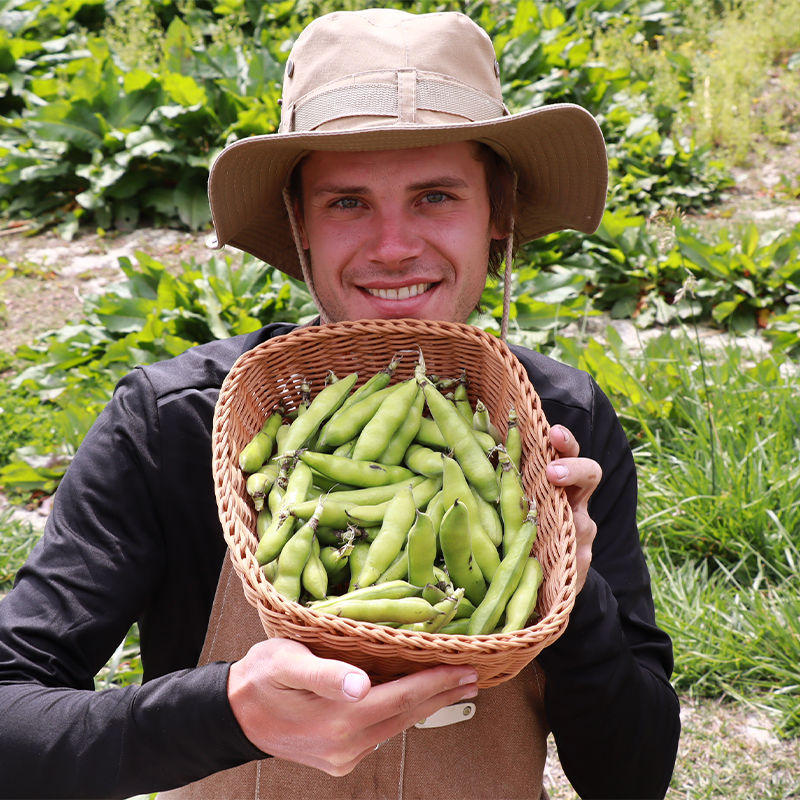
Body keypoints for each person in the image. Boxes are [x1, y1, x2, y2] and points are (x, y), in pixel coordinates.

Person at [0, 8, 680, 800]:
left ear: (498, 213)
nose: (393, 246)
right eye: (346, 202)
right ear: (299, 225)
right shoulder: (174, 423)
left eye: (435, 196)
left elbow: (633, 778)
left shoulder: (563, 422)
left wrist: (576, 594)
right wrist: (224, 712)